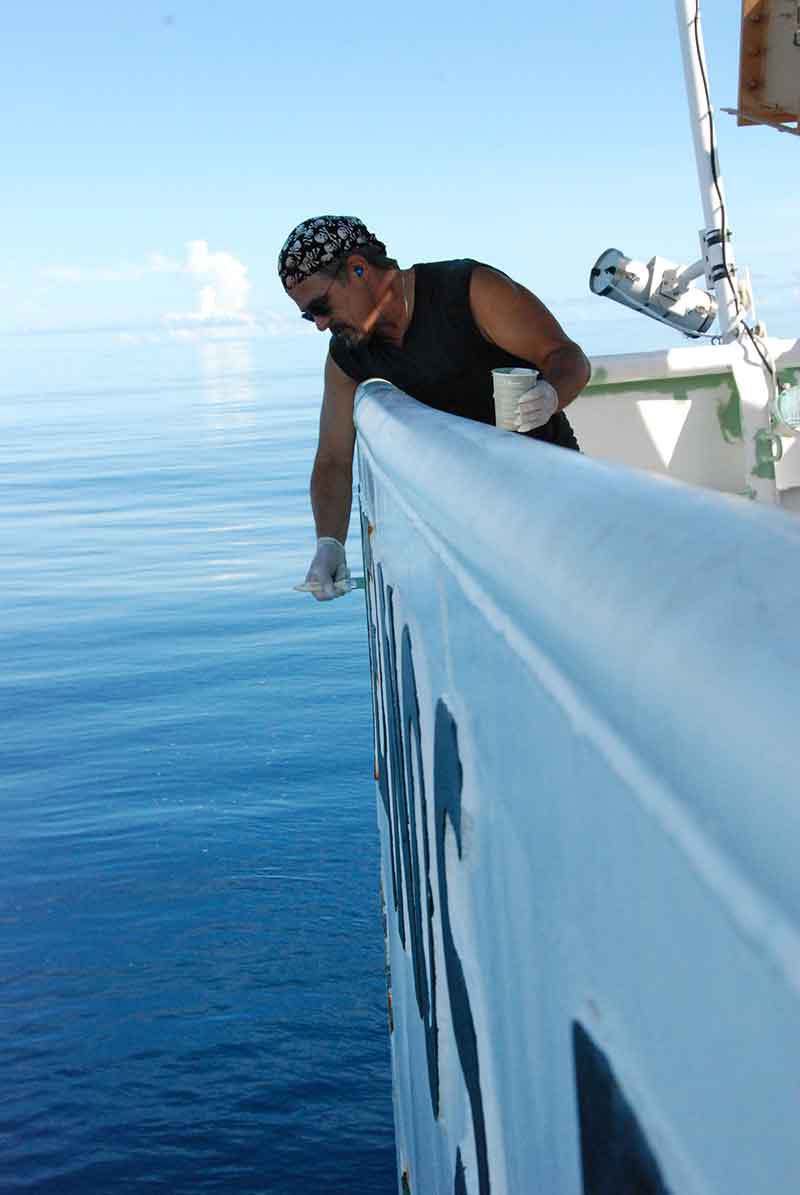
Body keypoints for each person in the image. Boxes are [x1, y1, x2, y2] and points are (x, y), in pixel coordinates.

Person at [279, 215, 591, 600]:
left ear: (358, 268)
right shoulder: (348, 354)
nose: (321, 325)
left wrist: (550, 395)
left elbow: (568, 357)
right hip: (476, 520)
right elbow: (333, 459)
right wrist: (330, 543)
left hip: (553, 492)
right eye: (310, 315)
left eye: (321, 307)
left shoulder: (469, 291)